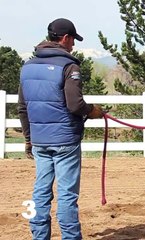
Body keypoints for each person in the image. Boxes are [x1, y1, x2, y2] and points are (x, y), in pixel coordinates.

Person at [17, 18, 104, 239]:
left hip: (40, 141)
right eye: (73, 40)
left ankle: (39, 235)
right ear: (65, 38)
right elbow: (75, 105)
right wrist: (92, 111)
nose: (73, 45)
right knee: (67, 195)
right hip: (65, 141)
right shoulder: (69, 67)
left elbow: (22, 108)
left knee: (40, 191)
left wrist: (29, 139)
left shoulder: (27, 67)